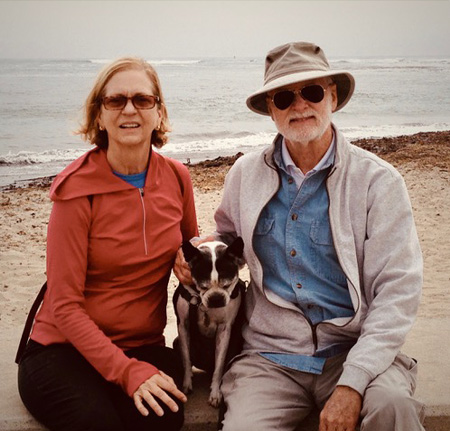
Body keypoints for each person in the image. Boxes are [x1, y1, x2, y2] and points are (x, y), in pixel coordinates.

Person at [175, 42, 424, 431]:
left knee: (393, 408)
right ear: (270, 110)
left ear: (333, 96)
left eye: (312, 92)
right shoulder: (243, 175)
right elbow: (228, 238)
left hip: (353, 350)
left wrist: (354, 382)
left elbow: (398, 293)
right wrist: (193, 252)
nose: (300, 105)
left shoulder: (378, 182)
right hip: (269, 358)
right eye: (284, 97)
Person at [18, 57, 198, 431]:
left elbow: (190, 255)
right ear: (99, 115)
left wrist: (191, 266)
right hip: (62, 350)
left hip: (142, 344)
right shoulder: (76, 191)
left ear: (159, 112)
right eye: (115, 101)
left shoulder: (178, 178)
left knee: (163, 418)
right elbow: (65, 306)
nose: (129, 109)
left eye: (142, 100)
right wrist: (126, 372)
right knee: (96, 421)